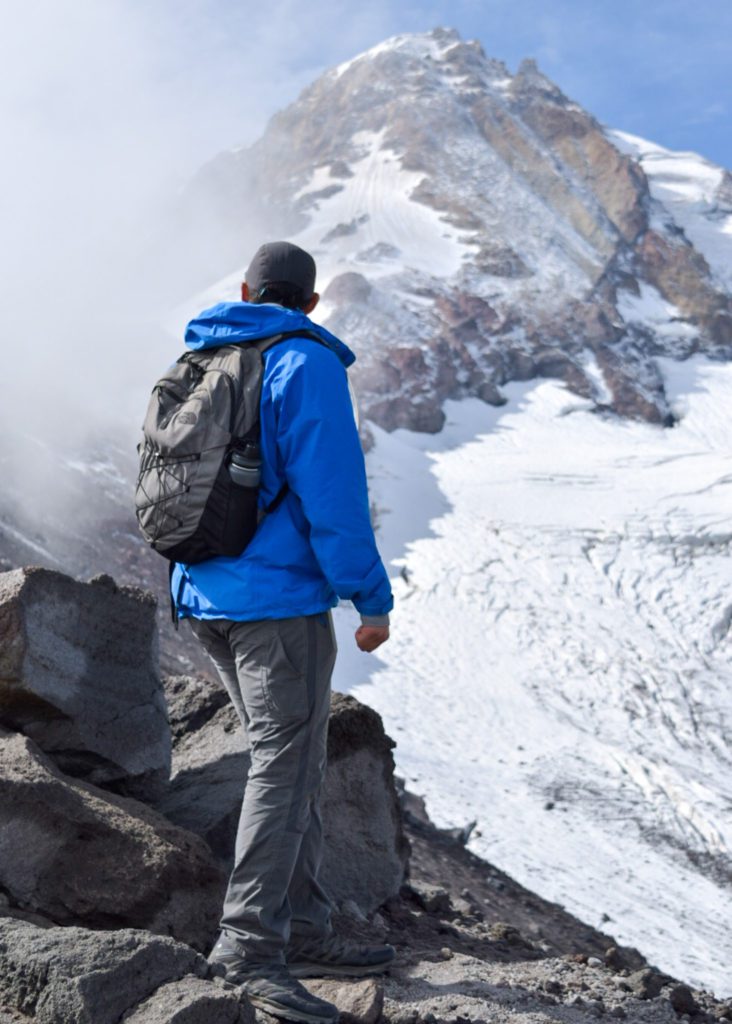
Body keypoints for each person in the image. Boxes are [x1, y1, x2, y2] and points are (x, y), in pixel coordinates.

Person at [170, 241, 395, 1024]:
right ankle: (249, 949)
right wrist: (369, 598)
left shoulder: (203, 354)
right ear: (312, 302)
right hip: (274, 606)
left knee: (288, 758)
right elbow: (333, 496)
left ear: (245, 290)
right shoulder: (305, 363)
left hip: (203, 593)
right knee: (285, 765)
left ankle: (300, 922)